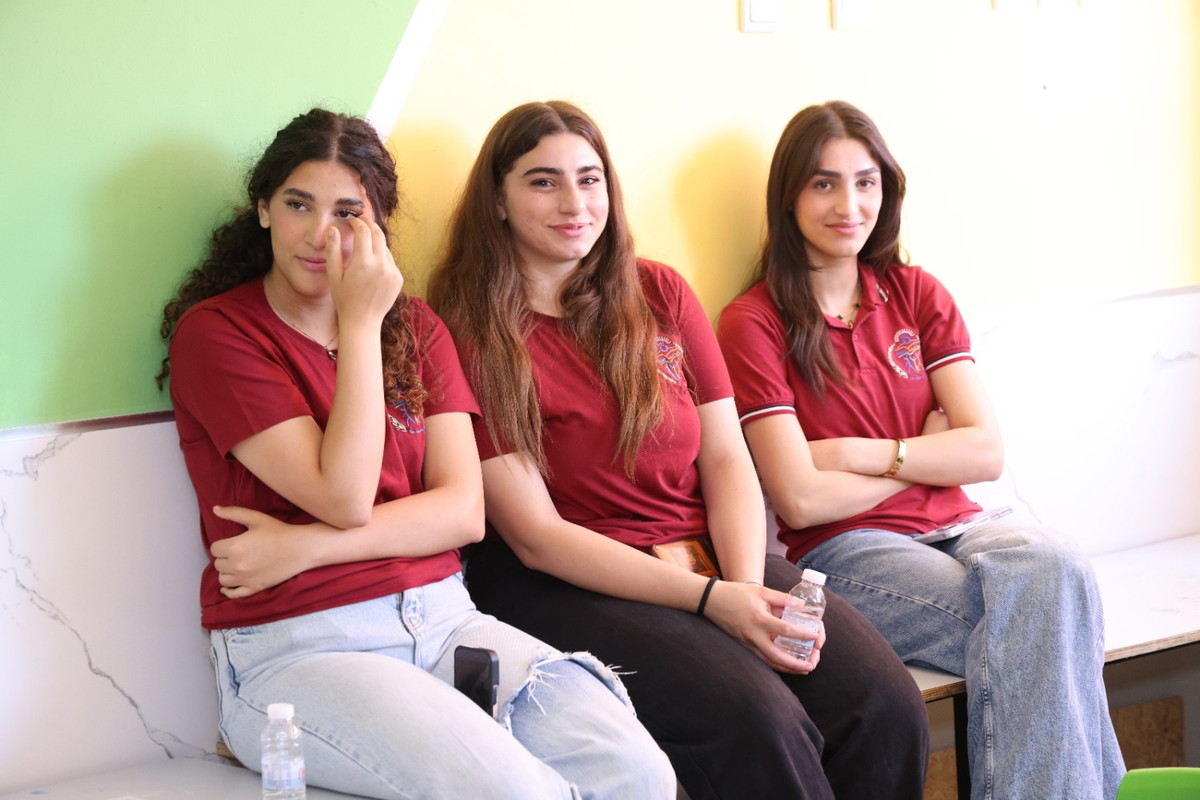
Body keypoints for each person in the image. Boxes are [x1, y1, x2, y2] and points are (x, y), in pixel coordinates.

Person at [155, 107, 676, 800]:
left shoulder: (419, 327)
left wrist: (304, 546)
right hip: (301, 646)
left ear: (378, 224)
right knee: (517, 794)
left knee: (638, 772)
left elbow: (463, 513)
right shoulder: (220, 334)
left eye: (347, 212)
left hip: (444, 620)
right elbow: (343, 494)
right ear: (263, 210)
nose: (318, 234)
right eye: (298, 205)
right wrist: (360, 321)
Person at [428, 100, 928, 800]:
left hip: (709, 558)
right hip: (570, 583)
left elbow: (726, 459)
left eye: (590, 179)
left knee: (884, 703)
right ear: (498, 202)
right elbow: (538, 538)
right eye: (543, 182)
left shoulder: (659, 291)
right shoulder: (466, 331)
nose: (574, 203)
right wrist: (714, 602)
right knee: (757, 720)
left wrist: (747, 590)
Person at [716, 100, 1125, 800]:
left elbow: (985, 453)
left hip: (962, 524)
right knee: (1047, 622)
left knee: (1059, 567)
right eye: (823, 183)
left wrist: (858, 453)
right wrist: (923, 455)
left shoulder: (916, 293)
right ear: (788, 198)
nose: (849, 205)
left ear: (888, 191)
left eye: (866, 182)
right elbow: (801, 498)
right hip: (846, 549)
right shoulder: (752, 321)